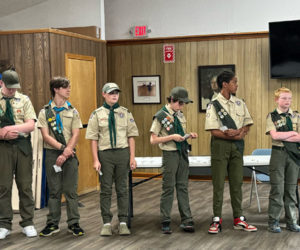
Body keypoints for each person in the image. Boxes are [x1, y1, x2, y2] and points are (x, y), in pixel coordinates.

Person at [205, 70, 257, 234]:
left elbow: (248, 122)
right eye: (234, 82)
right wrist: (232, 135)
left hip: (237, 148)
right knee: (218, 184)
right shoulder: (213, 105)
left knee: (237, 184)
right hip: (220, 147)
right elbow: (213, 130)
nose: (237, 85)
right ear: (225, 84)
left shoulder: (240, 103)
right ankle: (216, 219)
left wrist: (241, 131)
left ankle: (238, 219)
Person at [85, 82, 139, 236]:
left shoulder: (125, 113)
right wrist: (96, 160)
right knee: (106, 189)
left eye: (116, 92)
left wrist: (132, 157)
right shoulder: (97, 114)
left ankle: (123, 221)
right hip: (105, 155)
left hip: (122, 154)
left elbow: (131, 137)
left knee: (123, 189)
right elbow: (93, 139)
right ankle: (106, 223)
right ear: (104, 94)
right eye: (111, 93)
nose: (114, 95)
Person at [38, 77, 84, 237]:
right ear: (56, 89)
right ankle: (52, 223)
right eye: (65, 87)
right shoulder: (45, 112)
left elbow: (76, 133)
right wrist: (62, 149)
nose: (69, 90)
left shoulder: (73, 111)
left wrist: (66, 152)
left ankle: (74, 223)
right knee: (54, 191)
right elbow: (45, 136)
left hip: (69, 154)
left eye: (69, 87)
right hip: (52, 153)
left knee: (71, 191)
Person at [150, 86, 198, 234]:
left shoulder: (180, 115)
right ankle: (165, 220)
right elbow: (153, 140)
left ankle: (187, 219)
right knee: (168, 187)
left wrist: (188, 135)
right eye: (180, 103)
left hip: (182, 153)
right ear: (172, 100)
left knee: (183, 186)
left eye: (184, 104)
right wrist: (171, 137)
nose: (182, 106)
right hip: (170, 154)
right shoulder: (160, 116)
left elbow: (180, 133)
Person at [0, 70, 37, 240]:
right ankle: (4, 224)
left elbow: (30, 125)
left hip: (22, 147)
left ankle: (28, 223)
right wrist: (2, 134)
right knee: (4, 187)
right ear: (2, 84)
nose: (12, 91)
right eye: (9, 89)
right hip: (3, 147)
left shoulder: (24, 100)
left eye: (15, 88)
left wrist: (11, 129)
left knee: (25, 185)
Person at [266, 87, 300, 233]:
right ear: (277, 100)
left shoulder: (297, 116)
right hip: (278, 154)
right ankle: (273, 221)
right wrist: (292, 133)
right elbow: (274, 136)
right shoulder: (272, 116)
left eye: (289, 98)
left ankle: (292, 221)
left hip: (293, 156)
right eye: (284, 98)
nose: (287, 101)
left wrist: (286, 135)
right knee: (277, 190)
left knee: (291, 189)